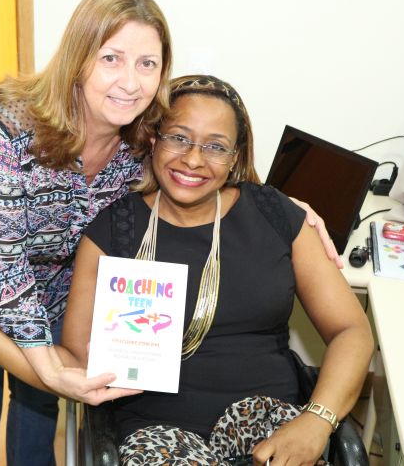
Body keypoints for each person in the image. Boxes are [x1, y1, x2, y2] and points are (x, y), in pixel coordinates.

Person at [0, 0, 340, 465]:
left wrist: (286, 209)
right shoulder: (4, 133)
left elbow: (208, 165)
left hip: (55, 274)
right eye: (111, 58)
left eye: (147, 64)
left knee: (37, 408)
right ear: (79, 59)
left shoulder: (142, 136)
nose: (130, 82)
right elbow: (4, 267)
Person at [59, 75, 375, 465]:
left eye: (215, 146)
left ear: (235, 156)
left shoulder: (276, 216)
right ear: (154, 139)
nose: (193, 160)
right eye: (179, 137)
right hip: (157, 433)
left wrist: (317, 419)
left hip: (267, 421)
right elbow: (76, 358)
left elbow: (351, 331)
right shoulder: (112, 232)